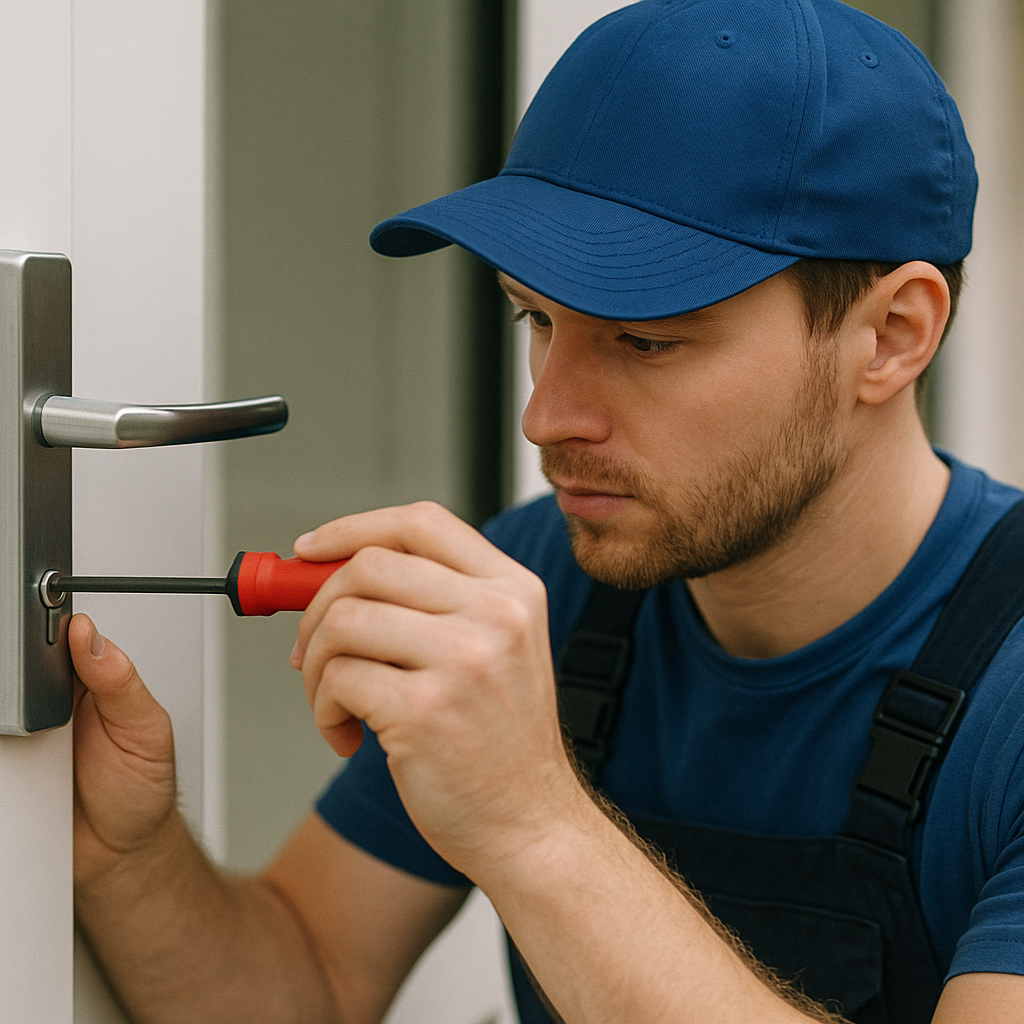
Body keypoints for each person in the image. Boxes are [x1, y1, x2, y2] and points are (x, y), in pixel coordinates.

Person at [70, 1, 1024, 1022]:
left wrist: (532, 822)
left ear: (890, 335)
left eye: (645, 342)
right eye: (536, 317)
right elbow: (309, 981)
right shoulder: (551, 579)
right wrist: (126, 853)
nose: (543, 415)